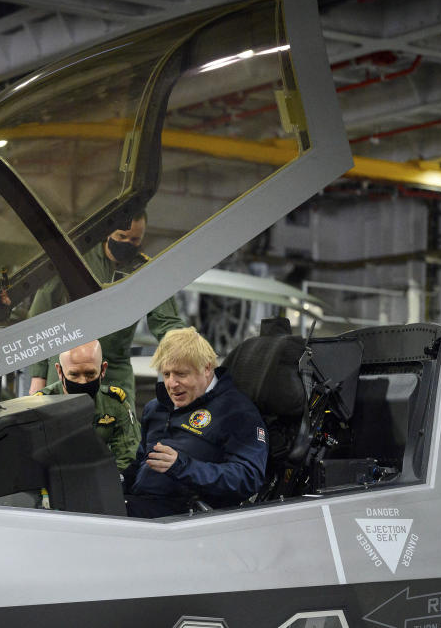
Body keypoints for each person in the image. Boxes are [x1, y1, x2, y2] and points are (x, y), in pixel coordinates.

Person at [27, 211, 186, 413]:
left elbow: (167, 323)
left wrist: (186, 349)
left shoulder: (145, 271)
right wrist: (38, 376)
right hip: (67, 365)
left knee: (121, 433)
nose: (127, 243)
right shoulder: (74, 259)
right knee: (58, 429)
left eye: (135, 239)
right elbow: (39, 317)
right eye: (121, 236)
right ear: (107, 232)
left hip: (114, 368)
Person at [121, 327, 268, 518]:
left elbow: (248, 478)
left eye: (181, 374)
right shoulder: (155, 408)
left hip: (186, 518)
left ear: (207, 368)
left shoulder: (237, 412)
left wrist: (181, 466)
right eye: (166, 374)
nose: (172, 384)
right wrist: (117, 481)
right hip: (139, 505)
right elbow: (141, 463)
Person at [33, 340, 141, 470]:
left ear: (103, 369)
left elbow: (128, 455)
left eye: (90, 374)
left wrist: (109, 481)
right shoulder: (40, 407)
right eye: (74, 374)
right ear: (60, 372)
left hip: (100, 479)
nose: (83, 382)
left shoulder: (114, 403)